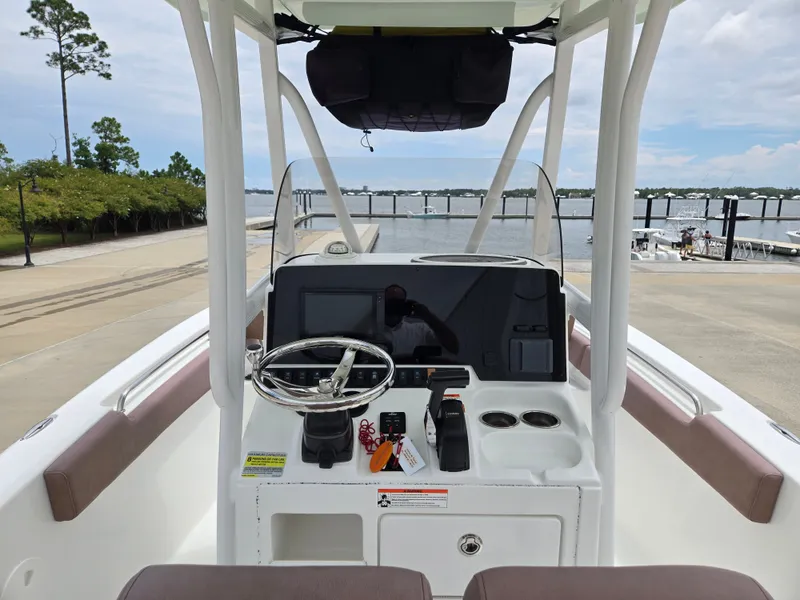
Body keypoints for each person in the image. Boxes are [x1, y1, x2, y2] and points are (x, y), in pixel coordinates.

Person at [383, 285, 459, 357]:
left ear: (405, 304)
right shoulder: (372, 331)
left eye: (398, 303)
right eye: (391, 302)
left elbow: (453, 347)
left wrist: (428, 316)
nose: (394, 307)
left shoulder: (421, 330)